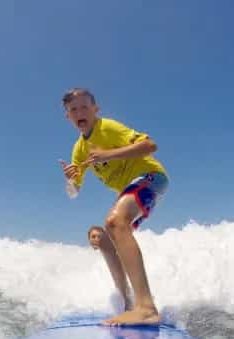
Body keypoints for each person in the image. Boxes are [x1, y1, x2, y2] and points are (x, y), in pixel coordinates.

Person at [59, 88, 169, 326]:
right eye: (73, 110)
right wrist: (70, 178)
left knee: (115, 222)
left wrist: (110, 154)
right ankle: (128, 303)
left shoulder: (107, 128)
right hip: (130, 190)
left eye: (84, 107)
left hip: (151, 176)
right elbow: (73, 193)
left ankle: (146, 307)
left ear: (95, 109)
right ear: (68, 117)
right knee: (104, 236)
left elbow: (150, 146)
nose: (79, 112)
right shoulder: (79, 150)